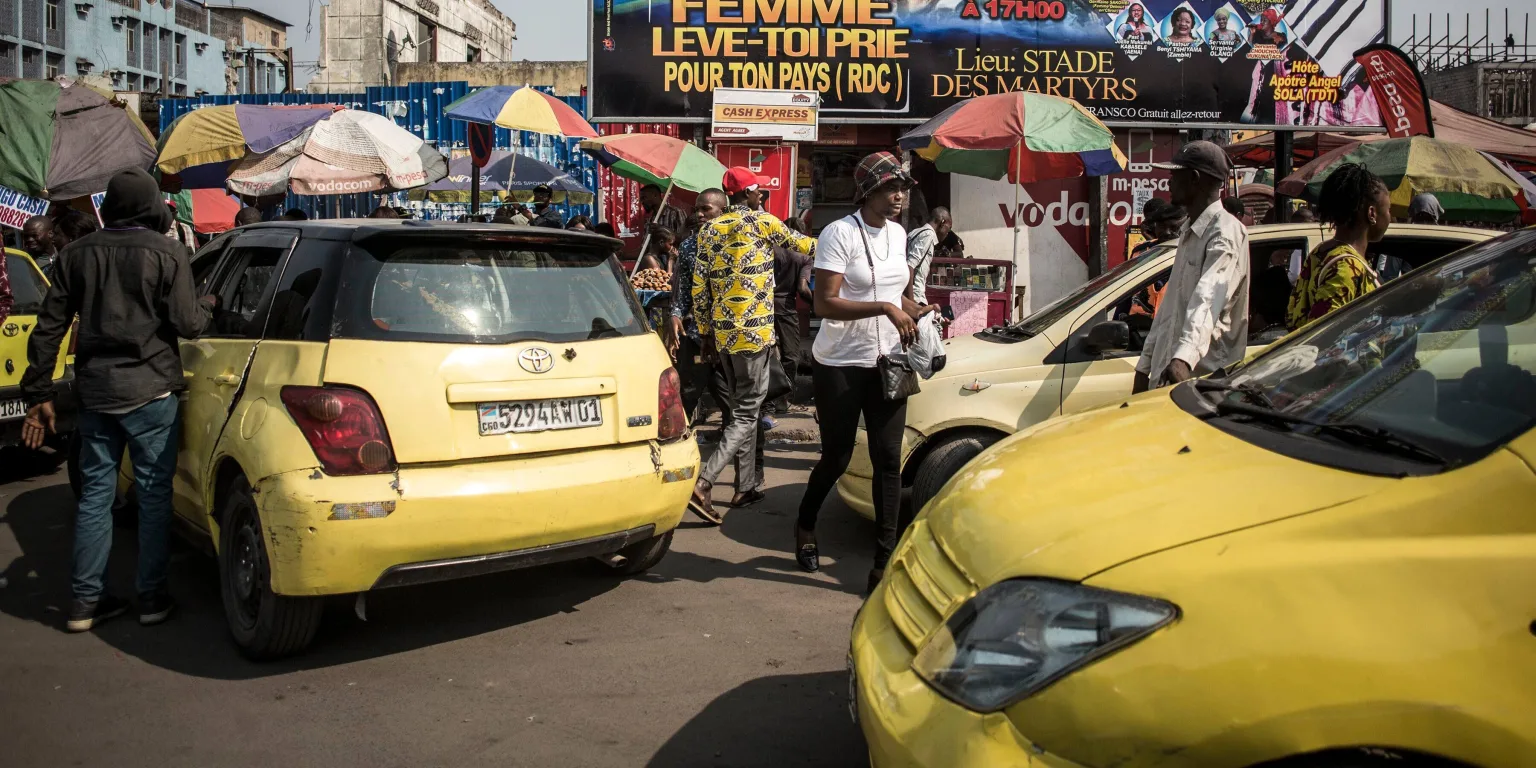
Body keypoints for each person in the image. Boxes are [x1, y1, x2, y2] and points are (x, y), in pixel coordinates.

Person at [19, 168, 214, 632]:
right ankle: (152, 598)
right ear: (151, 207)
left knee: (94, 499)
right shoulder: (168, 253)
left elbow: (49, 328)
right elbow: (188, 324)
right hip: (152, 392)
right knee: (152, 498)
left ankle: (85, 603)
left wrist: (38, 393)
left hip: (96, 395)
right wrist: (209, 308)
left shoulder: (74, 256)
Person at [793, 152, 938, 594]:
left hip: (889, 361)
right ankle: (804, 524)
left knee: (889, 462)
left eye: (903, 189)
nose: (899, 196)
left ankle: (884, 561)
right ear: (868, 192)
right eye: (890, 188)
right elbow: (823, 303)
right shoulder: (839, 233)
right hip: (839, 361)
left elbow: (899, 294)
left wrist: (919, 310)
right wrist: (885, 307)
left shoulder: (899, 234)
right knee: (836, 457)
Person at [688, 167, 817, 523]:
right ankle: (704, 481)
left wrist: (706, 334)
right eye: (758, 192)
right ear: (747, 195)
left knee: (745, 409)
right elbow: (806, 246)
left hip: (724, 335)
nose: (761, 197)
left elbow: (700, 288)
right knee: (747, 413)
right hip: (754, 334)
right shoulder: (762, 222)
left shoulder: (710, 230)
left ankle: (745, 487)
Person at [1133, 141, 1250, 393]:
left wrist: (1183, 358)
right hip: (1172, 377)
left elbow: (1208, 298)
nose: (1168, 183)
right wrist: (1144, 366)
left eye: (1175, 176)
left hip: (1205, 381)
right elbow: (1169, 309)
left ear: (1195, 179)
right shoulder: (1190, 231)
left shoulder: (1224, 233)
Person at [1285, 163, 1391, 331]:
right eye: (1388, 209)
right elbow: (1323, 338)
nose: (1389, 217)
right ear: (1372, 213)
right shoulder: (1346, 268)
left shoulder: (1321, 252)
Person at [772, 215, 814, 395]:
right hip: (786, 308)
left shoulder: (771, 250)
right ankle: (783, 397)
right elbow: (803, 288)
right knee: (791, 355)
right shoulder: (804, 257)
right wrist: (816, 304)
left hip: (762, 306)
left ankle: (765, 399)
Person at [905, 206, 951, 306]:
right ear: (942, 222)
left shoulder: (915, 232)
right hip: (916, 296)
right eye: (949, 228)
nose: (948, 233)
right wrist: (911, 301)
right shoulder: (928, 235)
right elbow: (910, 265)